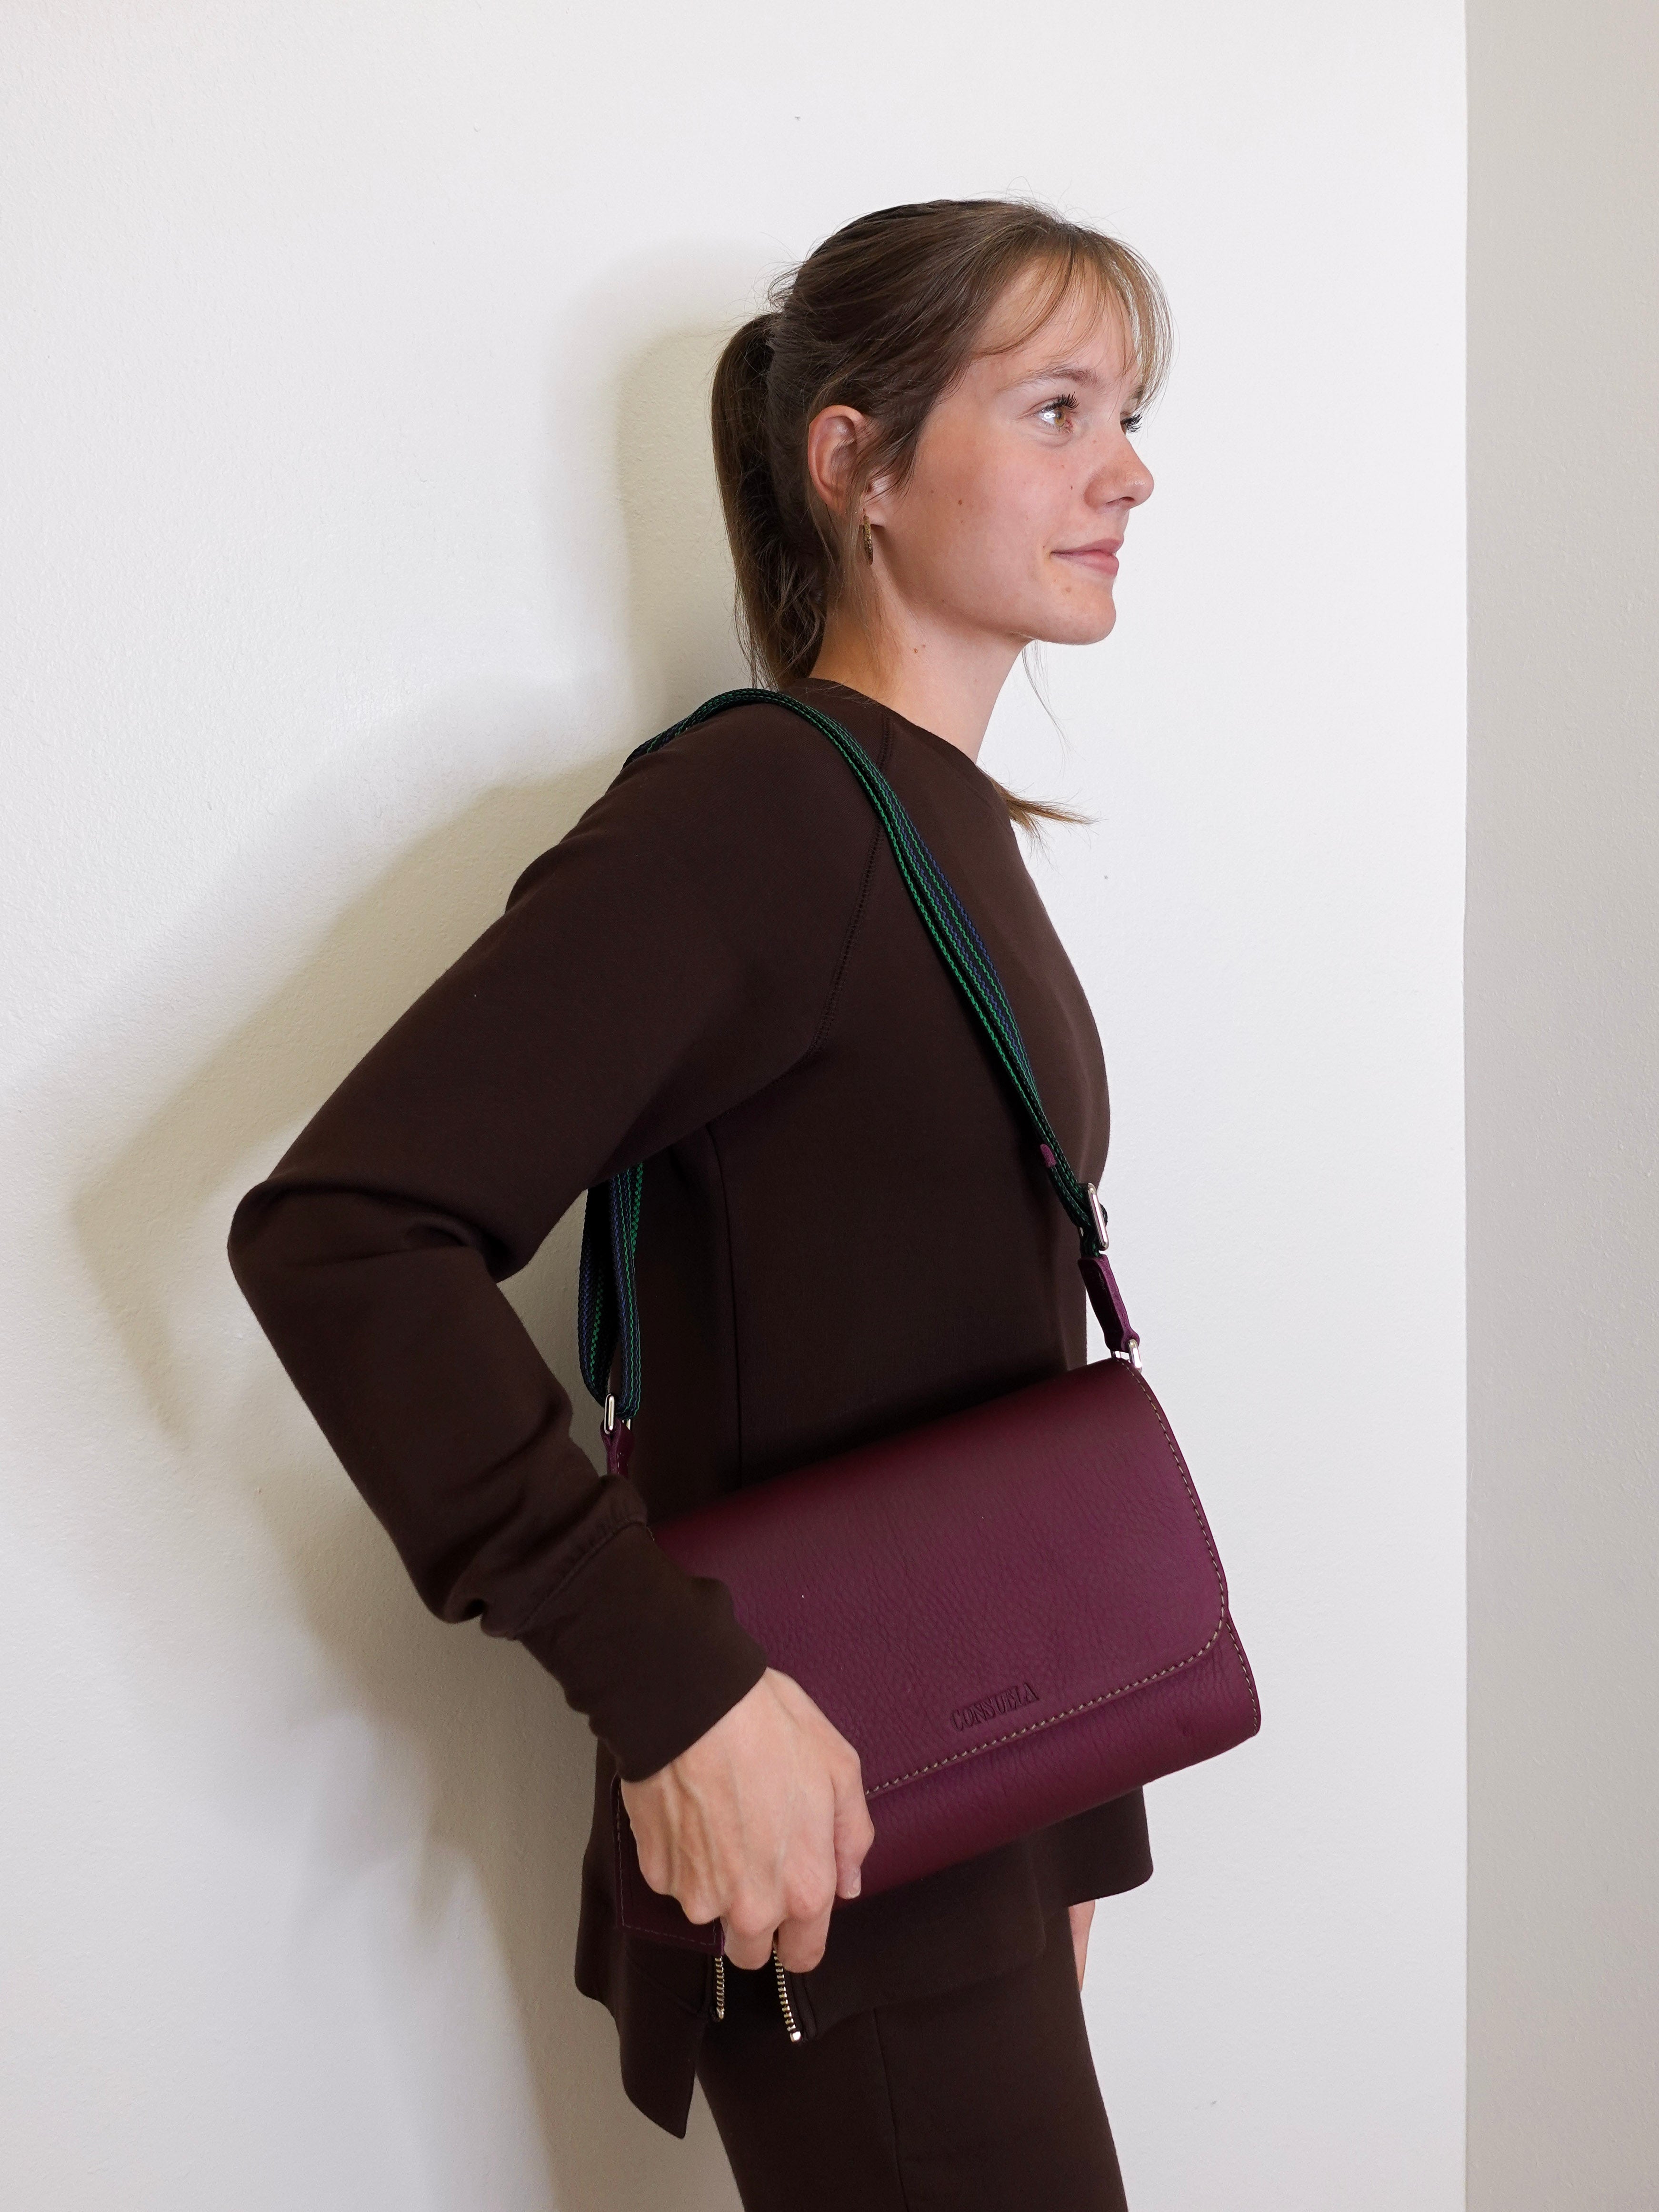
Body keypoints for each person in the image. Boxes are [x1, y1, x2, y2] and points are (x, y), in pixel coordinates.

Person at [230, 196, 1169, 2212]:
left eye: (1129, 414)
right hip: (831, 1824)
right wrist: (677, 1687)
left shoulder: (938, 831)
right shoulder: (765, 811)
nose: (1127, 471)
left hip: (975, 1803)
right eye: (1056, 408)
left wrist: (1073, 1824)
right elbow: (343, 1232)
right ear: (857, 462)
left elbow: (970, 1337)